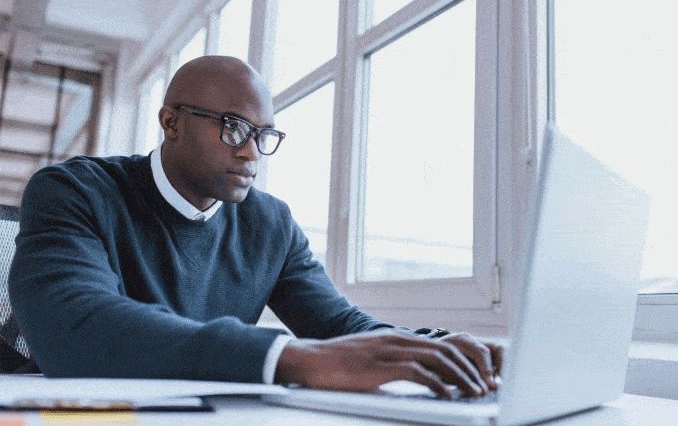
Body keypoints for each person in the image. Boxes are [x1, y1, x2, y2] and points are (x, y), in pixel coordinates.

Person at [9, 56, 502, 399]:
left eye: (263, 135)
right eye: (232, 126)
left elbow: (341, 328)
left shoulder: (271, 224)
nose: (249, 151)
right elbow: (74, 327)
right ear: (171, 122)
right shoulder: (75, 190)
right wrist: (291, 357)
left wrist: (439, 347)